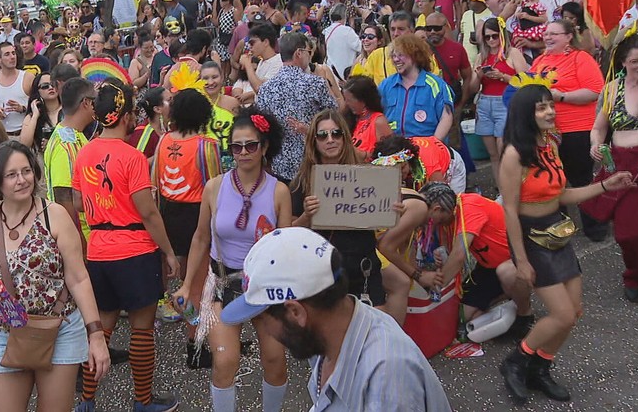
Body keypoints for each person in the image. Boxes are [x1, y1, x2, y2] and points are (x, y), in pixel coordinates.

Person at [498, 84, 635, 404]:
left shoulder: (549, 144)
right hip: (532, 239)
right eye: (541, 107)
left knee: (573, 312)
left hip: (556, 232)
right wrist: (521, 260)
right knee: (561, 315)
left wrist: (606, 185)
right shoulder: (514, 154)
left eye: (550, 105)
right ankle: (516, 362)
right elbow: (509, 210)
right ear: (525, 114)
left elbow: (562, 195)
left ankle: (539, 368)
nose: (550, 112)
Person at [220, 227, 452, 412]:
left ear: (296, 312)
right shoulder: (331, 337)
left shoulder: (386, 378)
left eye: (263, 319)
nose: (268, 331)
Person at [0, 141, 109, 411]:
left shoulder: (55, 216)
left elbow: (78, 278)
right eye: (11, 175)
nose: (22, 180)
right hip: (3, 332)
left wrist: (96, 335)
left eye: (26, 171)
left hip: (59, 328)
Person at [72, 79, 181, 412]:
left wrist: (104, 205)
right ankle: (143, 401)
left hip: (99, 250)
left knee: (101, 330)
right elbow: (147, 212)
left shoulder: (84, 152)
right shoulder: (132, 157)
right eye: (133, 112)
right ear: (124, 116)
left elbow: (77, 201)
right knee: (142, 330)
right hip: (135, 250)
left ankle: (87, 401)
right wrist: (169, 252)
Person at [173, 108, 290, 412]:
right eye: (236, 147)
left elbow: (284, 246)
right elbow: (201, 238)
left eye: (251, 145)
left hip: (265, 285)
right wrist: (187, 285)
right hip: (222, 282)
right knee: (225, 360)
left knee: (275, 359)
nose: (243, 153)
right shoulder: (214, 187)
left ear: (264, 146)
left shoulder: (279, 191)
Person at [152, 87, 221, 362]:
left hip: (168, 215)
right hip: (196, 218)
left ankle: (195, 334)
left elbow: (156, 183)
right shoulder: (207, 145)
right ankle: (195, 344)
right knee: (196, 286)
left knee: (183, 280)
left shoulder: (163, 140)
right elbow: (216, 186)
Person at [291, 108, 386, 306]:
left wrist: (391, 211)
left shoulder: (367, 176)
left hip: (363, 269)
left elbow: (380, 223)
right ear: (314, 141)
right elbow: (290, 232)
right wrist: (307, 216)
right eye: (322, 135)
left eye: (336, 133)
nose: (330, 140)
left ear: (344, 137)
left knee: (375, 323)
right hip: (323, 274)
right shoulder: (302, 182)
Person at [588, 34, 638, 302]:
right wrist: (595, 145)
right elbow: (598, 128)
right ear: (623, 62)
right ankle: (634, 273)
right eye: (635, 61)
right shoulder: (612, 89)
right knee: (631, 233)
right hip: (624, 171)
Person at [418, 182, 533, 331]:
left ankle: (524, 313)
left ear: (437, 209)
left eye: (427, 215)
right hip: (488, 266)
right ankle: (505, 297)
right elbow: (451, 253)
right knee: (462, 315)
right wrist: (441, 256)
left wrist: (435, 287)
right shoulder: (449, 214)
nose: (426, 221)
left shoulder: (470, 208)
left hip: (515, 261)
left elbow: (458, 256)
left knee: (505, 273)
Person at [529, 19, 606, 241]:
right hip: (547, 133)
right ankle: (560, 227)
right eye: (546, 33)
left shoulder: (580, 58)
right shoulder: (539, 61)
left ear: (569, 37)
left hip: (576, 130)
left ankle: (595, 227)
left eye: (554, 33)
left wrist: (561, 96)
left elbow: (596, 91)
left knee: (581, 180)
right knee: (553, 181)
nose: (547, 37)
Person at [256, 32, 337, 183]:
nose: (309, 56)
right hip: (312, 163)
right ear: (298, 53)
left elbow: (261, 128)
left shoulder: (265, 89)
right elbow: (334, 116)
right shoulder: (316, 84)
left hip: (278, 167)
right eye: (308, 51)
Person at [468, 17, 527, 186]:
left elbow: (525, 81)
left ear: (502, 34)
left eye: (494, 36)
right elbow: (473, 88)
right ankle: (500, 188)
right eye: (487, 37)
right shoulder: (482, 56)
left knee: (504, 150)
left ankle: (512, 186)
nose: (491, 40)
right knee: (493, 154)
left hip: (505, 102)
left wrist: (503, 76)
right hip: (485, 103)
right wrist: (479, 75)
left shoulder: (512, 53)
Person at [44, 78, 96, 239]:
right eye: (95, 100)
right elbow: (64, 198)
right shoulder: (64, 146)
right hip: (81, 239)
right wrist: (79, 245)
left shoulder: (77, 134)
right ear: (86, 103)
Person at [378, 35, 454, 140]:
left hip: (426, 144)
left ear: (414, 55)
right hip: (394, 145)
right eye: (393, 56)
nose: (396, 59)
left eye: (400, 55)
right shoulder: (386, 85)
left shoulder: (435, 84)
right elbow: (376, 116)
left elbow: (446, 117)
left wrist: (434, 143)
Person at [0, 41, 35, 136]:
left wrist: (23, 108)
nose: (12, 57)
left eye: (13, 53)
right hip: (2, 134)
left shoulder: (28, 78)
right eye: (7, 54)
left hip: (23, 133)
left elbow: (39, 104)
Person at [341, 76, 391, 157]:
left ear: (363, 101)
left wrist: (358, 153)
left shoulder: (378, 122)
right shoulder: (350, 119)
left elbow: (387, 156)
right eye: (345, 99)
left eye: (349, 100)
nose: (346, 103)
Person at [129, 87, 170, 160]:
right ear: (157, 109)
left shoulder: (170, 125)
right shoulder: (141, 133)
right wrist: (163, 155)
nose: (175, 103)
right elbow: (137, 163)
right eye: (170, 100)